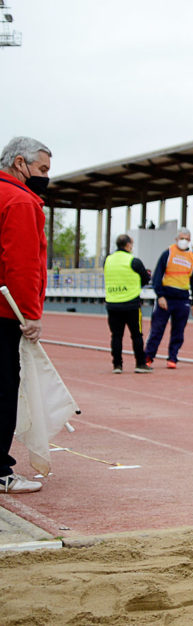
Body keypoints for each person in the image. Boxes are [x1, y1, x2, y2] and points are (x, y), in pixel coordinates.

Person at [0, 136, 51, 494]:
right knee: (4, 388)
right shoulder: (19, 200)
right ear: (20, 163)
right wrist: (31, 315)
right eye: (42, 168)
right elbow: (22, 264)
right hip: (5, 313)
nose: (46, 176)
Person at [144, 228, 193, 369]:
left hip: (183, 299)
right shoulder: (168, 253)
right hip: (166, 297)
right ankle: (148, 357)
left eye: (187, 239)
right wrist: (160, 295)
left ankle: (173, 358)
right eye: (182, 238)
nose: (184, 241)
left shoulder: (192, 258)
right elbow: (157, 276)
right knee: (157, 329)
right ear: (176, 239)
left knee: (178, 331)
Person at [103, 234, 152, 374]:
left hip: (112, 303)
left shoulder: (108, 260)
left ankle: (117, 365)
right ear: (128, 245)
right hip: (131, 304)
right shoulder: (133, 261)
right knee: (136, 335)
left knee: (116, 336)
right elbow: (146, 278)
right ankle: (140, 364)